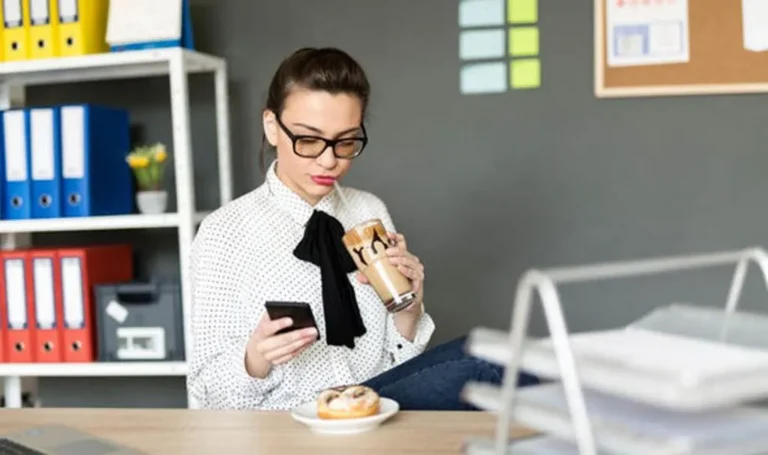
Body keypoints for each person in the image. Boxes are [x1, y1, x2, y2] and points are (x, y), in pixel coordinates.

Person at [186, 47, 538, 411]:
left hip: (374, 406)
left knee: (509, 354)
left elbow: (400, 367)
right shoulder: (224, 232)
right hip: (293, 422)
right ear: (272, 127)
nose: (329, 160)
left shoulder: (367, 210)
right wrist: (257, 358)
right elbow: (209, 394)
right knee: (485, 367)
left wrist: (408, 310)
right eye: (308, 139)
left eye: (346, 141)